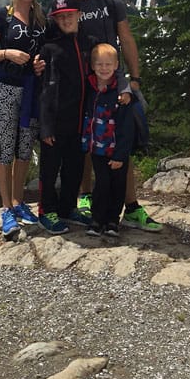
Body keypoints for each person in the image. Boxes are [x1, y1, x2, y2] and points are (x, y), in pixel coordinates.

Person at [63, 0, 162, 232]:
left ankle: (130, 206)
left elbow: (126, 38)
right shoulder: (64, 5)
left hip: (113, 82)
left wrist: (134, 79)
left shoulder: (110, 0)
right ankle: (86, 197)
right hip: (82, 84)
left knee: (122, 143)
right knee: (86, 142)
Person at [0, 0, 45, 240]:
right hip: (6, 88)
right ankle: (6, 207)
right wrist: (7, 53)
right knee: (5, 149)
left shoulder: (40, 17)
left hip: (32, 89)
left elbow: (44, 50)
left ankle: (19, 203)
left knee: (23, 149)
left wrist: (41, 63)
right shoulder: (2, 16)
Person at [36, 0, 94, 235]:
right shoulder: (50, 48)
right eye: (61, 17)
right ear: (55, 20)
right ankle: (46, 211)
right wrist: (46, 126)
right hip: (56, 120)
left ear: (79, 15)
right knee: (50, 168)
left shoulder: (90, 43)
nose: (66, 19)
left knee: (75, 167)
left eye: (70, 14)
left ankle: (67, 207)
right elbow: (46, 90)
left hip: (81, 120)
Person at [83, 43, 135, 236]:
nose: (103, 68)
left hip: (117, 150)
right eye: (99, 64)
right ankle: (97, 219)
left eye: (108, 64)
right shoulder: (90, 87)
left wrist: (121, 154)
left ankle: (113, 220)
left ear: (116, 66)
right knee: (102, 183)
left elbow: (127, 127)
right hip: (97, 148)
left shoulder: (122, 94)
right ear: (93, 65)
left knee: (118, 185)